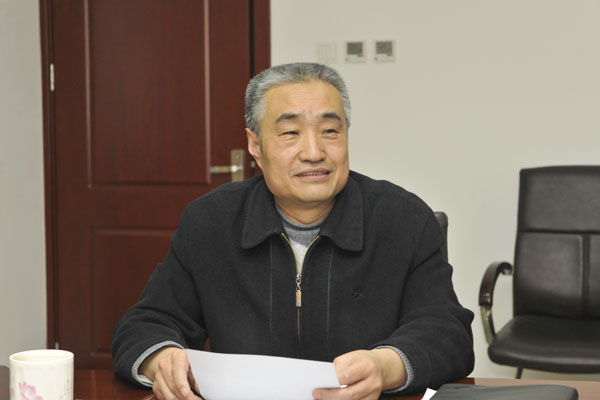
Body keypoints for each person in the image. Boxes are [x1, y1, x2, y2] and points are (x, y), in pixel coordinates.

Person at [112, 62, 474, 400]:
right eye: (290, 133)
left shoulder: (403, 219)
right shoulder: (210, 221)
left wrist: (387, 366)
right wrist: (162, 359)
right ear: (255, 145)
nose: (314, 152)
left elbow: (447, 331)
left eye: (330, 131)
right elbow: (147, 323)